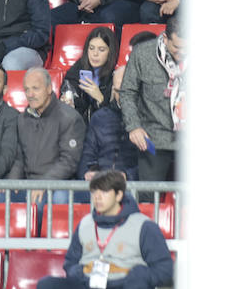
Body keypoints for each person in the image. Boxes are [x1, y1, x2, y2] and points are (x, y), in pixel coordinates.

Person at [39, 169, 174, 289]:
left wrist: (140, 276)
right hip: (89, 282)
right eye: (94, 192)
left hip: (125, 283)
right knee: (47, 284)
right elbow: (70, 262)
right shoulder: (85, 224)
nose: (97, 197)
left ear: (119, 195)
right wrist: (78, 272)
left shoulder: (144, 226)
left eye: (103, 192)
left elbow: (164, 268)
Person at [119, 16, 183, 181]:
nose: (182, 52)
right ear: (165, 38)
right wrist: (133, 126)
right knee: (149, 196)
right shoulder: (142, 53)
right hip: (153, 138)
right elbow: (128, 91)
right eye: (176, 47)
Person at [14, 67, 86, 205]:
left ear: (48, 89)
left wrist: (43, 184)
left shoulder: (69, 118)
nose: (30, 94)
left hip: (58, 184)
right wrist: (12, 183)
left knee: (45, 201)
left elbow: (68, 162)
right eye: (27, 89)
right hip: (29, 184)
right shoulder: (22, 119)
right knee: (0, 198)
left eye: (35, 88)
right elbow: (18, 159)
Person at [60, 27, 121, 123]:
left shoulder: (116, 76)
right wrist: (70, 102)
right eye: (91, 48)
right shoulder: (76, 70)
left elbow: (117, 117)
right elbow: (70, 95)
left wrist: (100, 99)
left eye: (101, 50)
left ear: (110, 52)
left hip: (104, 128)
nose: (95, 54)